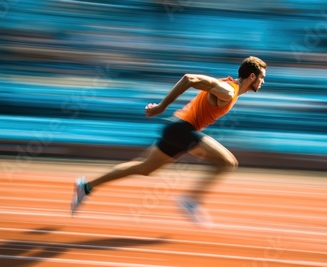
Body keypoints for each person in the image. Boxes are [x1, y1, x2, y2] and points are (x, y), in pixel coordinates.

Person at [71, 56, 267, 226]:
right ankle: (190, 200)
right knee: (228, 162)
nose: (263, 81)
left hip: (176, 130)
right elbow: (189, 78)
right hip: (181, 130)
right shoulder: (229, 90)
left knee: (144, 168)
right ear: (252, 77)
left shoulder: (231, 90)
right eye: (262, 77)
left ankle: (86, 186)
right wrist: (161, 107)